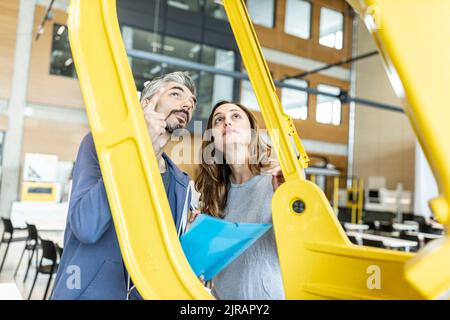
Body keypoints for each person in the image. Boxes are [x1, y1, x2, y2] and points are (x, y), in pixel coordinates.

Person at [52, 72, 197, 300]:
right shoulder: (101, 147)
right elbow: (86, 227)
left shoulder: (181, 183)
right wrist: (141, 153)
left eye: (192, 101)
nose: (187, 103)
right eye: (176, 93)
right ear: (146, 104)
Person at [194, 100, 285, 300]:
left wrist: (288, 199)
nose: (227, 122)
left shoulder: (278, 179)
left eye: (235, 116)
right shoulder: (213, 197)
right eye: (219, 120)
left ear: (252, 130)